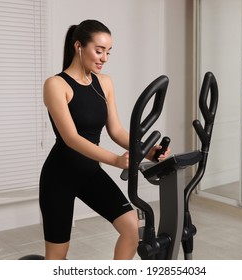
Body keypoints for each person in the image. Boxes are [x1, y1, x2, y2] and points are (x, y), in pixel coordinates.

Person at [39, 19, 169, 260]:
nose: (104, 58)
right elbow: (71, 138)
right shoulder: (56, 85)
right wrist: (116, 161)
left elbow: (117, 131)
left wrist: (148, 151)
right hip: (60, 176)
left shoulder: (104, 82)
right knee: (57, 255)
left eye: (108, 52)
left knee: (131, 228)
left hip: (89, 173)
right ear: (79, 46)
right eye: (99, 51)